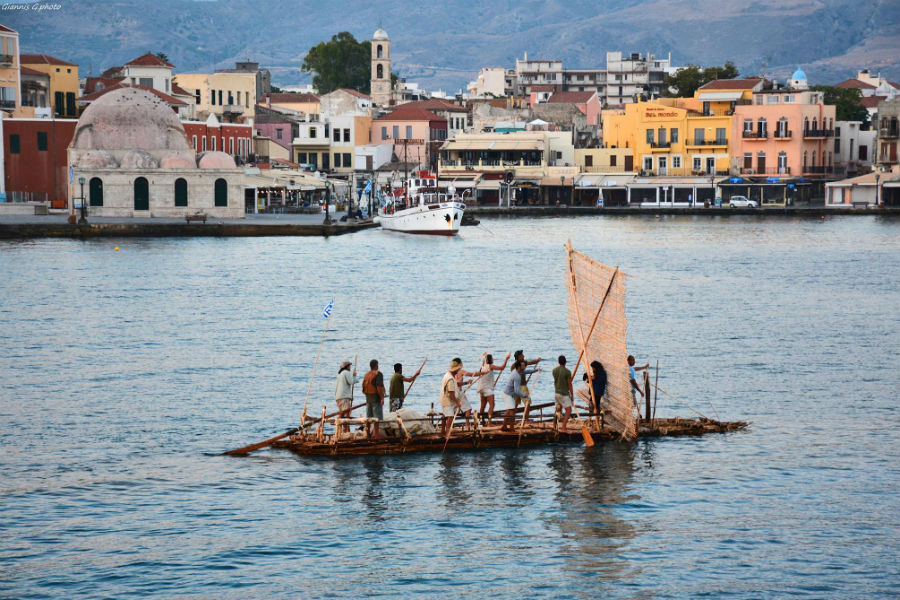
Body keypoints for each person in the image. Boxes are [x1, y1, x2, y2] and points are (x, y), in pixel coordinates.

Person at [501, 359, 539, 431]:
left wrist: (536, 370)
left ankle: (504, 426)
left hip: (507, 393)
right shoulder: (517, 376)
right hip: (508, 394)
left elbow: (527, 371)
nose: (524, 366)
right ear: (519, 367)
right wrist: (525, 396)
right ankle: (511, 428)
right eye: (523, 365)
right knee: (512, 412)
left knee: (508, 411)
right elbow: (517, 390)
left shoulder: (517, 371)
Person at [477, 352, 510, 425]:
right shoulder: (490, 366)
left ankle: (481, 421)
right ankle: (489, 422)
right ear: (489, 359)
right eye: (492, 358)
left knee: (483, 405)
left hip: (481, 388)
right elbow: (502, 368)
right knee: (492, 405)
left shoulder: (482, 367)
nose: (493, 359)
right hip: (487, 388)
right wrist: (506, 359)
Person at [362, 359, 385, 439]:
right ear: (377, 366)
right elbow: (378, 387)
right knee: (376, 419)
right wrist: (382, 398)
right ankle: (377, 436)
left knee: (368, 419)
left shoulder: (366, 375)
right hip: (376, 399)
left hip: (368, 399)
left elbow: (364, 387)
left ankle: (368, 435)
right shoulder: (378, 374)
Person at [440, 359, 463, 437]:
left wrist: (465, 383)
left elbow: (455, 384)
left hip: (444, 399)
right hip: (447, 401)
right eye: (457, 369)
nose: (458, 371)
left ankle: (443, 432)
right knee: (450, 417)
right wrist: (457, 403)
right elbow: (451, 394)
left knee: (445, 415)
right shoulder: (450, 378)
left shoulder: (448, 375)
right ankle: (447, 434)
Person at [334, 360, 357, 435]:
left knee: (344, 413)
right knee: (346, 413)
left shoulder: (340, 374)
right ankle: (345, 431)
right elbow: (351, 382)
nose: (350, 367)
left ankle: (344, 430)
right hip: (344, 397)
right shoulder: (346, 373)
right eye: (349, 366)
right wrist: (354, 377)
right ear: (347, 366)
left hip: (339, 397)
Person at [452, 358, 476, 429]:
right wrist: (479, 373)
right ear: (459, 364)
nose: (462, 364)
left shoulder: (452, 372)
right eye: (461, 363)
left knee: (453, 411)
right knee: (468, 409)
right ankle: (467, 425)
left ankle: (450, 425)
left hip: (454, 393)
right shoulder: (460, 371)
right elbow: (469, 374)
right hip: (459, 393)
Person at [552, 355, 574, 430]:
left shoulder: (554, 370)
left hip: (556, 392)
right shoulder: (567, 372)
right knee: (568, 410)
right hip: (563, 394)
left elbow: (557, 379)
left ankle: (554, 425)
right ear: (565, 362)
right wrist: (572, 395)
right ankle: (563, 427)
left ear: (559, 362)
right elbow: (569, 384)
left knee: (558, 408)